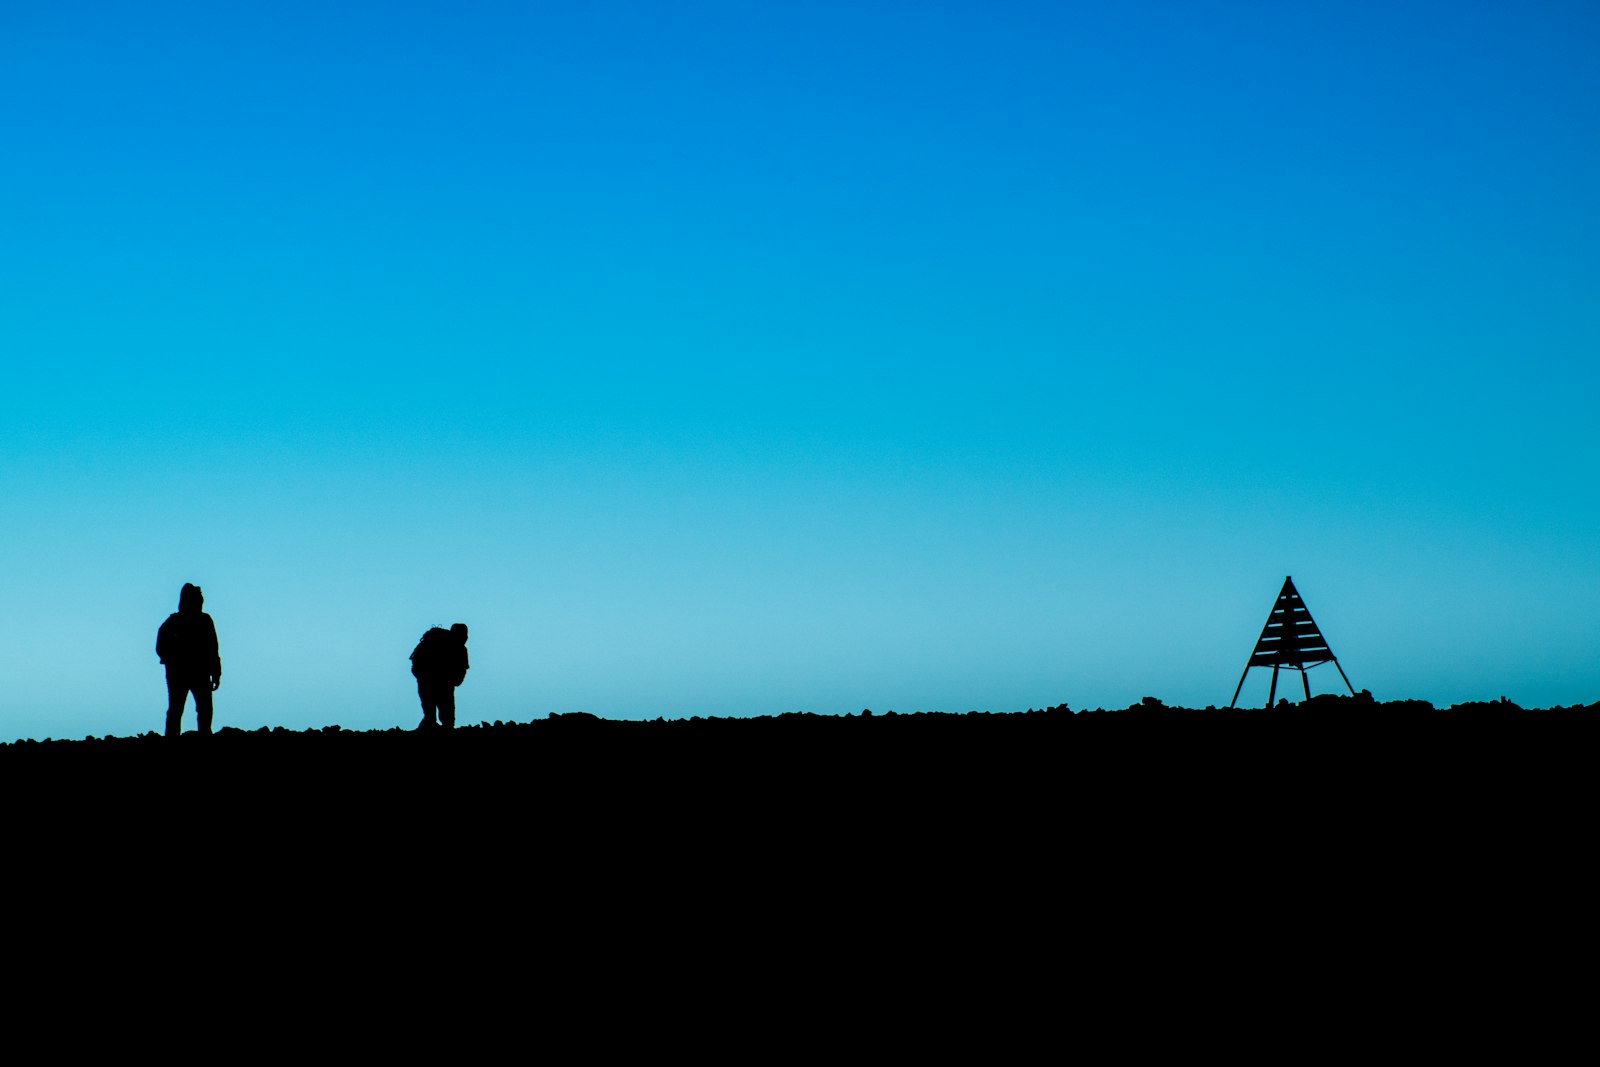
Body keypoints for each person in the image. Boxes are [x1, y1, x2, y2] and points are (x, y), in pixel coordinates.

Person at [156, 583, 221, 738]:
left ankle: (201, 735)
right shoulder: (173, 623)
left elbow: (213, 648)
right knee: (178, 709)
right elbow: (161, 647)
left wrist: (216, 672)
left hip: (195, 673)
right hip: (183, 673)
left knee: (200, 708)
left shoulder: (203, 621)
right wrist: (170, 660)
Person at [411, 623, 469, 730]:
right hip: (438, 684)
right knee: (445, 718)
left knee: (431, 716)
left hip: (427, 683)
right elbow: (462, 670)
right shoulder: (459, 648)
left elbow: (416, 665)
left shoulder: (458, 648)